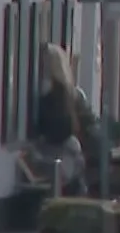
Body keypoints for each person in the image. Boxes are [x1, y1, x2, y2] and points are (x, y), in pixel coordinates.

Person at [32, 43, 88, 196]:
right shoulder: (67, 92)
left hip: (58, 153)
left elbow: (59, 125)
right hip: (67, 152)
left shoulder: (51, 92)